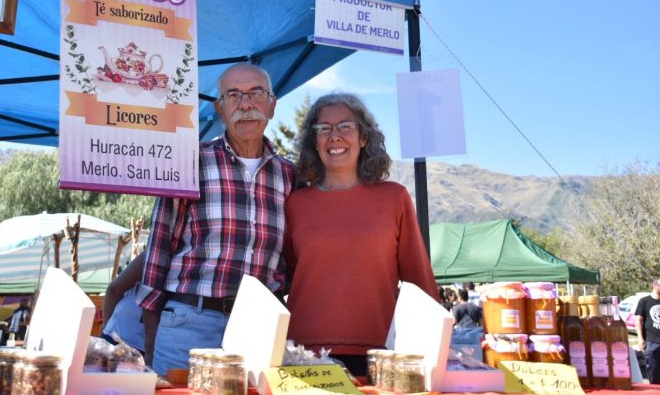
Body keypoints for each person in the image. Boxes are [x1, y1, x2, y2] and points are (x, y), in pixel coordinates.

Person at [137, 63, 295, 375]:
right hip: (188, 324)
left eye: (256, 93)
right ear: (219, 110)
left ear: (272, 106)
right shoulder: (189, 161)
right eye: (233, 95)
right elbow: (159, 246)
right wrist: (152, 337)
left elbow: (294, 255)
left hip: (259, 328)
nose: (246, 104)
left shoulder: (291, 175)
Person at [284, 93, 439, 376]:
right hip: (303, 353)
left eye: (345, 127)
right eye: (324, 129)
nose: (334, 136)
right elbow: (287, 274)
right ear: (314, 142)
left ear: (364, 138)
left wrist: (437, 345)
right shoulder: (295, 203)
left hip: (379, 353)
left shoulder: (394, 198)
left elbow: (420, 280)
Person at [101, 254, 145, 355]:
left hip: (117, 335)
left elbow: (114, 289)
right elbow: (113, 290)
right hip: (152, 347)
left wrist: (106, 326)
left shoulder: (151, 254)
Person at [635, 278, 660, 384]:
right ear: (655, 286)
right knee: (654, 373)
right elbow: (638, 320)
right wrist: (640, 338)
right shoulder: (644, 301)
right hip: (652, 341)